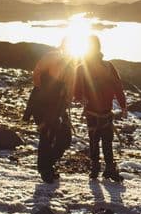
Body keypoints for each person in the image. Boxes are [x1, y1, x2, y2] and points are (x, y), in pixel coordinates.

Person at [73, 35, 127, 182]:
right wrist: (123, 105)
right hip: (98, 112)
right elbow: (76, 90)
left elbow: (117, 86)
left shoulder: (85, 68)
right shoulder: (105, 67)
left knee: (99, 141)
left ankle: (100, 168)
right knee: (101, 141)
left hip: (99, 112)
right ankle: (101, 168)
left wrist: (123, 105)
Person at [22, 44, 74, 183]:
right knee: (47, 136)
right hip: (44, 104)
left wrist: (66, 101)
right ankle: (46, 170)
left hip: (57, 106)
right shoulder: (52, 57)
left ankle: (46, 166)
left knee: (64, 138)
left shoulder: (70, 65)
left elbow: (70, 89)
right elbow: (37, 78)